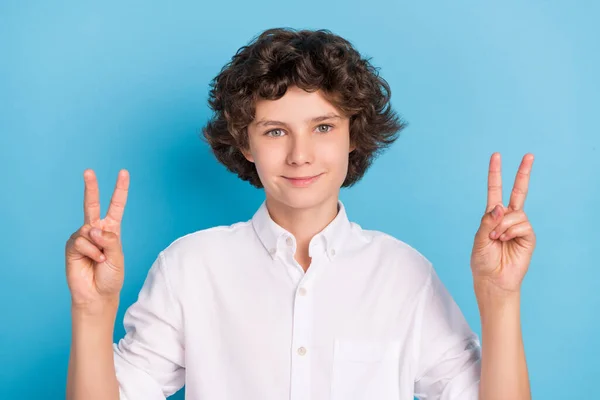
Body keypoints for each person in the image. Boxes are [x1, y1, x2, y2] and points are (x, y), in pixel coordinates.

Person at [65, 28, 535, 400]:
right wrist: (92, 311)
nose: (300, 155)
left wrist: (500, 297)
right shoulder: (190, 267)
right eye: (274, 132)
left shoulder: (403, 274)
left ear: (354, 135)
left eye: (323, 127)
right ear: (245, 143)